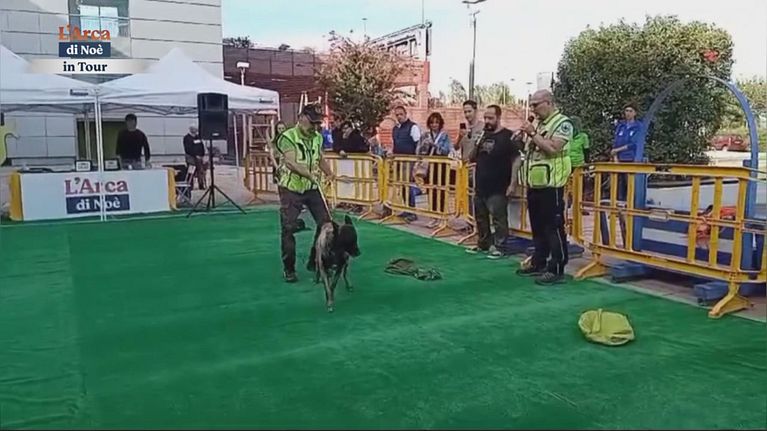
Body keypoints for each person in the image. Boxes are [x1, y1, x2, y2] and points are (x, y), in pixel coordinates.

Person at [517, 90, 574, 285]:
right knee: (538, 226)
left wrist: (532, 134)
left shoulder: (562, 123)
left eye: (536, 105)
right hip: (535, 182)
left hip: (552, 183)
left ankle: (557, 267)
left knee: (553, 226)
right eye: (531, 105)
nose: (532, 109)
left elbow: (553, 148)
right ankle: (539, 262)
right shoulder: (539, 124)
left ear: (548, 103)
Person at [275, 104, 335, 283]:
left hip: (312, 187)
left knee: (326, 224)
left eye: (318, 123)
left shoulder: (317, 137)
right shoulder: (288, 137)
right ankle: (289, 268)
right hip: (291, 188)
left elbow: (320, 158)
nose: (315, 127)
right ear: (301, 117)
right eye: (312, 122)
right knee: (288, 228)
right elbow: (291, 162)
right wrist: (309, 174)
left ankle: (315, 260)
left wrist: (329, 173)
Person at [465, 105, 522, 259]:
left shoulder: (507, 136)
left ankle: (500, 246)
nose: (487, 121)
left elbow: (516, 159)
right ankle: (483, 243)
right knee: (480, 217)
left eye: (490, 118)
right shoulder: (483, 135)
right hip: (481, 184)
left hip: (499, 186)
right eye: (485, 118)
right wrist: (476, 143)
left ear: (498, 117)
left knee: (498, 218)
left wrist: (513, 183)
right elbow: (471, 158)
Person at [415, 112, 452, 217]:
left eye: (436, 122)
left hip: (441, 166)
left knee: (441, 190)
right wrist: (425, 145)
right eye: (432, 122)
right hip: (429, 166)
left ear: (440, 123)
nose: (434, 125)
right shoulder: (425, 135)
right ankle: (433, 214)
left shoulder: (444, 136)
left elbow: (447, 150)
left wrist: (435, 146)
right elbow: (418, 151)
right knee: (430, 189)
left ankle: (441, 214)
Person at [391, 106, 421, 221]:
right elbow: (395, 145)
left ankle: (412, 211)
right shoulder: (395, 129)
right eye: (397, 115)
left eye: (401, 114)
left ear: (405, 114)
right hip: (398, 160)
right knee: (403, 186)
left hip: (409, 160)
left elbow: (418, 144)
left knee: (407, 185)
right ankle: (407, 209)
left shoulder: (413, 127)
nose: (399, 117)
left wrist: (417, 160)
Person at [611, 103, 642, 201]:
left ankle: (631, 204)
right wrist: (615, 156)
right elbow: (616, 141)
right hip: (619, 159)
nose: (628, 113)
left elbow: (634, 144)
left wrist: (618, 150)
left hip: (631, 159)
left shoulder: (639, 126)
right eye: (626, 111)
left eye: (630, 111)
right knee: (619, 184)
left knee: (629, 183)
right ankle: (620, 204)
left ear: (635, 113)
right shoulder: (621, 125)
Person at [183, 124, 206, 190]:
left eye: (196, 129)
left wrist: (202, 155)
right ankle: (190, 185)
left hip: (199, 157)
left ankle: (201, 185)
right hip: (191, 157)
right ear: (191, 129)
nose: (196, 130)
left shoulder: (198, 137)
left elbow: (201, 146)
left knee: (200, 171)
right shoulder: (186, 138)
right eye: (195, 129)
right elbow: (187, 149)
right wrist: (195, 155)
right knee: (191, 171)